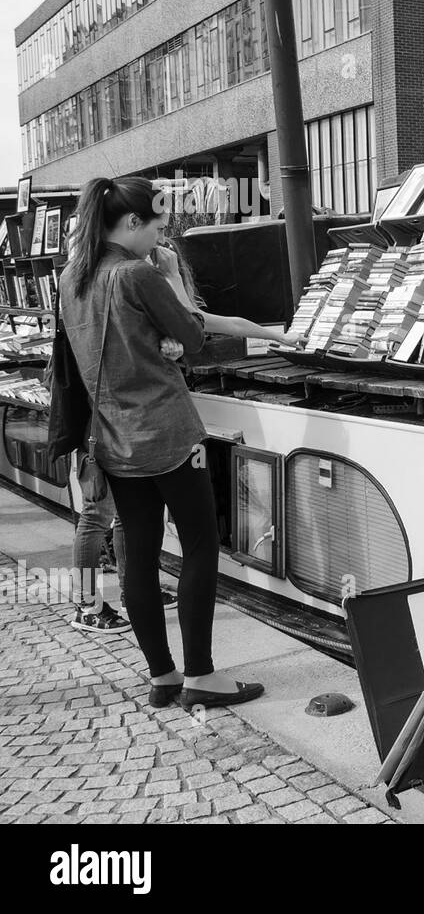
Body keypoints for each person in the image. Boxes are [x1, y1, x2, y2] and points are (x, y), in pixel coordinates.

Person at [58, 176, 291, 710]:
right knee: (200, 546)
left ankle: (161, 676)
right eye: (158, 227)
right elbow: (191, 336)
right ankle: (202, 677)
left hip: (112, 438)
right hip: (168, 433)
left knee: (136, 551)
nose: (161, 239)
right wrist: (170, 297)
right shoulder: (137, 273)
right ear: (133, 223)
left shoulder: (72, 277)